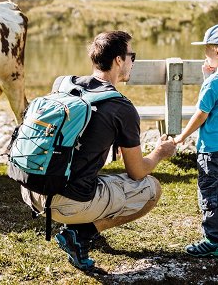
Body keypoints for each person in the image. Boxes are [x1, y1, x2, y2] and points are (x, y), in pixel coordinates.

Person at [20, 30, 178, 271]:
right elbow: (136, 172)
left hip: (31, 189)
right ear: (118, 60)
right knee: (150, 189)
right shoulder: (120, 107)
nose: (132, 62)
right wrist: (159, 152)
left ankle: (76, 224)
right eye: (131, 56)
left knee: (97, 177)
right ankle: (81, 233)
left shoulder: (63, 84)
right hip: (65, 204)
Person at [174, 22, 218, 258]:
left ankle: (213, 241)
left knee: (210, 195)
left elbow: (202, 113)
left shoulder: (214, 83)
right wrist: (208, 76)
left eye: (207, 49)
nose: (204, 54)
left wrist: (182, 136)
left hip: (212, 151)